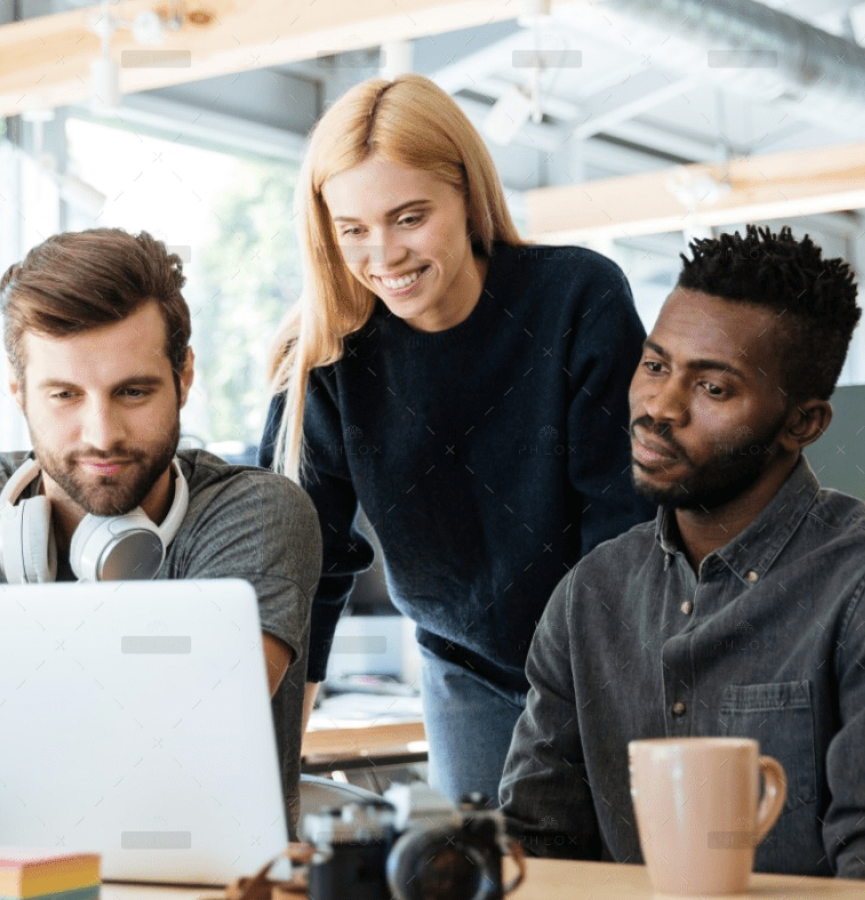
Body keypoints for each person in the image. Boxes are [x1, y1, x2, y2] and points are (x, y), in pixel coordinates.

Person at [498, 225, 865, 899]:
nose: (660, 408)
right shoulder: (590, 596)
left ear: (803, 424)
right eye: (655, 366)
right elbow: (535, 848)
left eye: (714, 389)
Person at [0, 228, 320, 831]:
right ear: (18, 393)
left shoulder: (257, 514)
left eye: (133, 392)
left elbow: (172, 779)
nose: (101, 434)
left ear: (185, 377)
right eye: (64, 394)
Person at [260, 73, 651, 803]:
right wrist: (268, 766)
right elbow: (302, 569)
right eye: (353, 229)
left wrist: (582, 707)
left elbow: (622, 525)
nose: (384, 255)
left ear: (467, 195)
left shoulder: (577, 297)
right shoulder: (322, 356)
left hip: (606, 654)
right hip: (464, 667)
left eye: (409, 217)